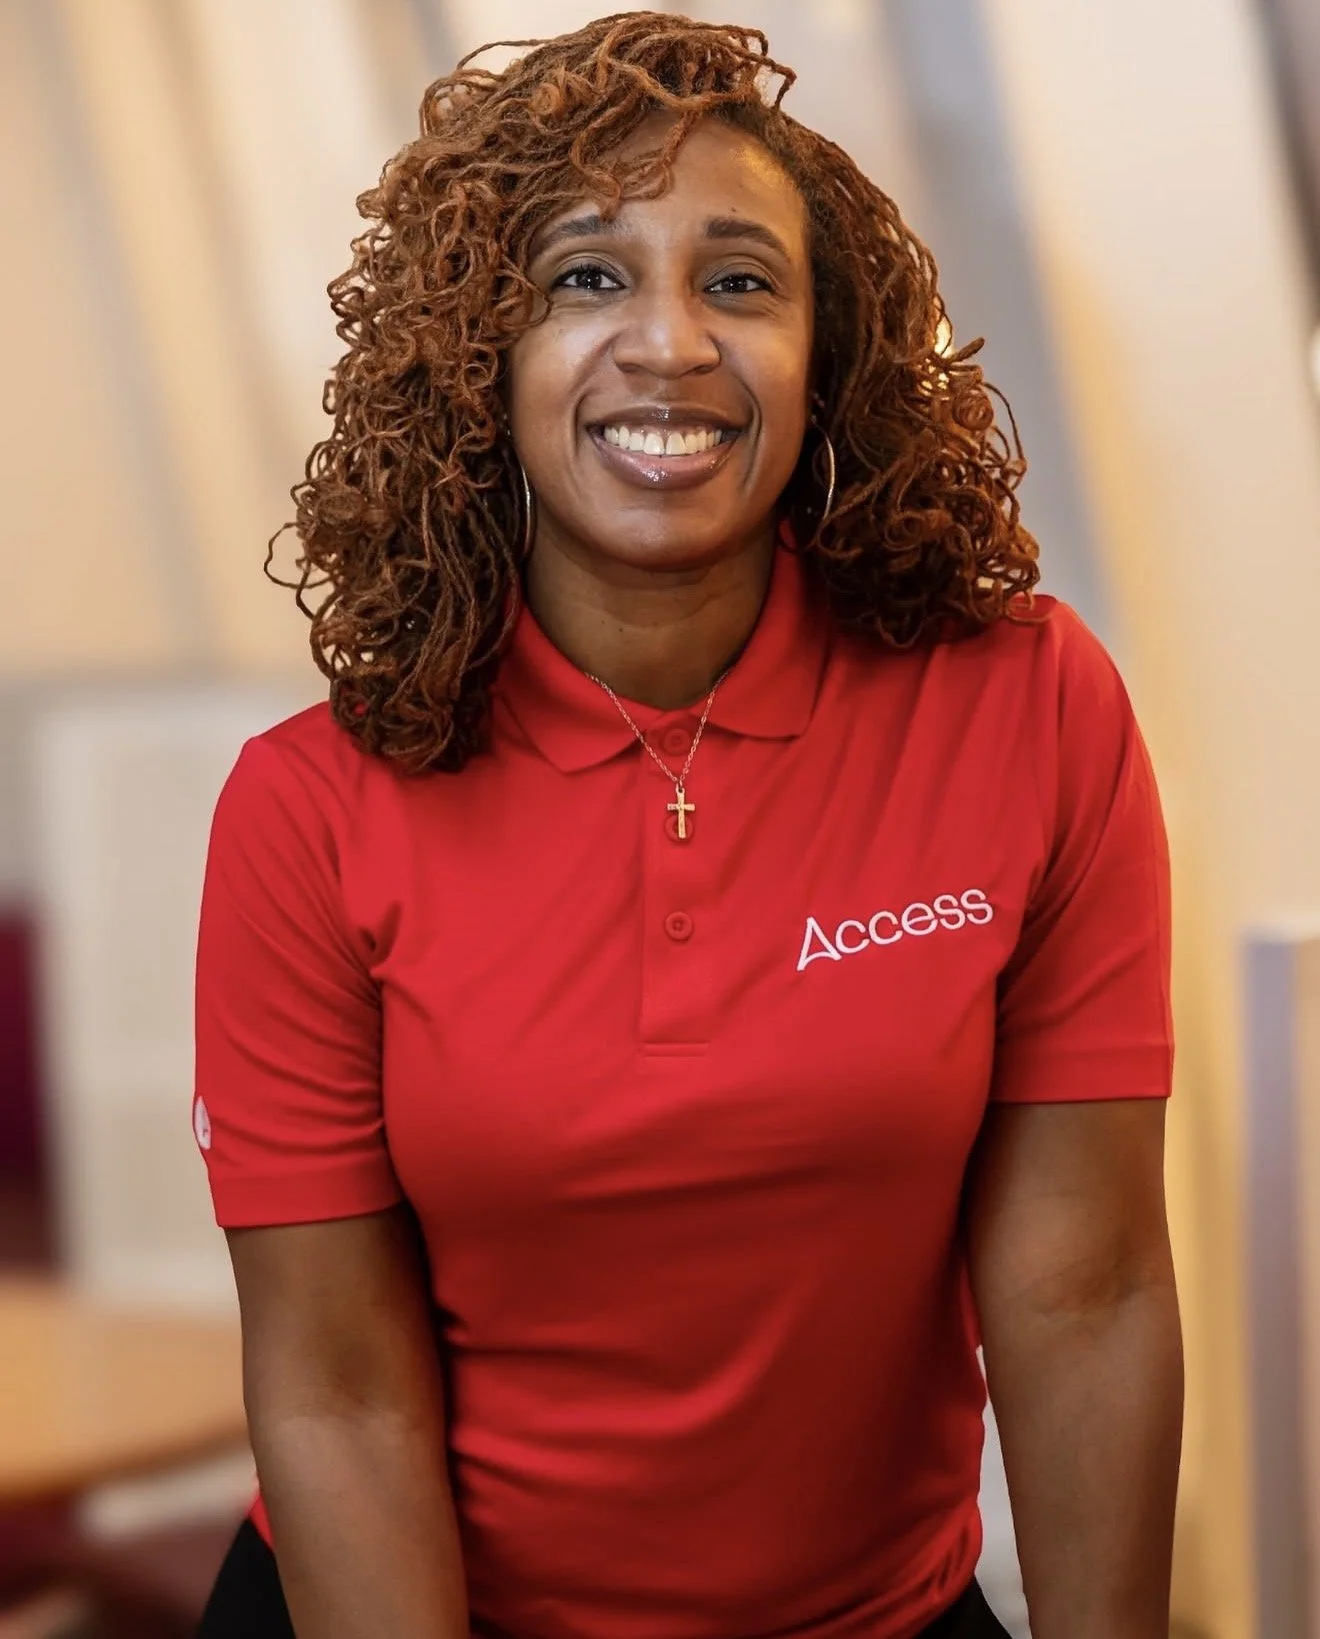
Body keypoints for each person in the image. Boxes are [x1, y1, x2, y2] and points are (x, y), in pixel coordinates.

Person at [193, 15, 1182, 1639]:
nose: (669, 344)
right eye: (585, 279)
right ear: (477, 358)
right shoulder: (310, 810)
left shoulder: (1030, 706)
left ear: (829, 350)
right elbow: (337, 1396)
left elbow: (1089, 1292)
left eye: (740, 281)